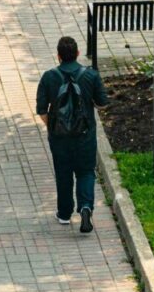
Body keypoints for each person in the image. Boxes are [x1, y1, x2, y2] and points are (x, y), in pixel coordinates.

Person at [35, 35, 109, 234]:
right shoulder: (91, 76)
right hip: (85, 136)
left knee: (63, 173)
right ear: (77, 53)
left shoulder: (49, 77)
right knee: (86, 172)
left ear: (58, 56)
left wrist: (54, 127)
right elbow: (102, 103)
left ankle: (65, 213)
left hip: (59, 139)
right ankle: (86, 207)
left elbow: (42, 109)